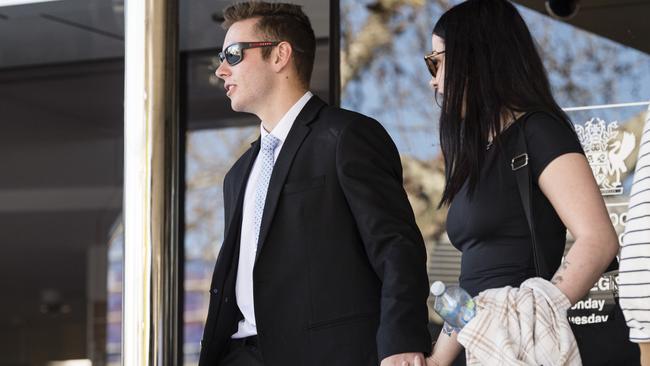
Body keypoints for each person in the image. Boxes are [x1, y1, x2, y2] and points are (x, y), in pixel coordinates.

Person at [198, 2, 431, 366]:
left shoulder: (346, 136)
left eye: (233, 54)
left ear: (280, 55)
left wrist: (401, 341)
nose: (222, 69)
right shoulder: (238, 174)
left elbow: (396, 248)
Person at [421, 1, 626, 364]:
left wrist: (542, 305)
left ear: (473, 58)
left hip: (524, 350)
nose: (433, 78)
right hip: (485, 350)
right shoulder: (477, 153)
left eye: (436, 61)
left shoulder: (537, 133)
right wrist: (438, 359)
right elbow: (472, 290)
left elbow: (599, 238)